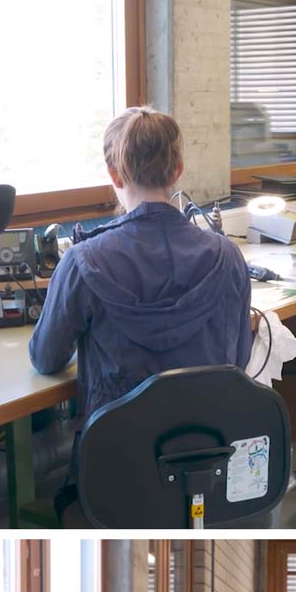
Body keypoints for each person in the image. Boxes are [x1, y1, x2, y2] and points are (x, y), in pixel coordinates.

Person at [29, 106, 252, 417]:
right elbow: (239, 359)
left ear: (114, 175)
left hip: (118, 444)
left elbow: (45, 358)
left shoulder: (83, 262)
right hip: (207, 439)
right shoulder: (228, 257)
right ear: (177, 170)